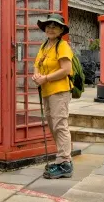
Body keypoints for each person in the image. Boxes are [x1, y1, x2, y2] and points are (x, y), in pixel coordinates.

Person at [32, 14, 73, 179]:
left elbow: (66, 69)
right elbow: (37, 65)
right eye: (48, 26)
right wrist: (36, 77)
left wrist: (46, 78)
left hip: (60, 91)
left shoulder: (62, 46)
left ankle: (65, 163)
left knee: (60, 125)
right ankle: (62, 158)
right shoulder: (44, 46)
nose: (50, 29)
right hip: (47, 91)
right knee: (52, 125)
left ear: (61, 29)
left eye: (55, 26)